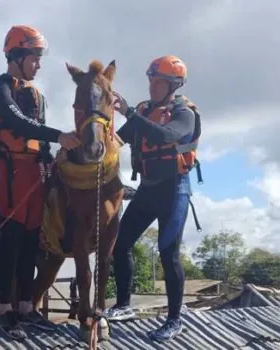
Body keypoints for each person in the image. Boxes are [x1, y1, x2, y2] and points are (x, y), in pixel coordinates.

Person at [0, 24, 81, 340]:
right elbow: (15, 122)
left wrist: (51, 158)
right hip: (11, 174)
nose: (38, 64)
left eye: (39, 58)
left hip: (35, 174)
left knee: (29, 243)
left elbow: (40, 134)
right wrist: (59, 136)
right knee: (10, 241)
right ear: (18, 54)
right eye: (34, 58)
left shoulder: (36, 95)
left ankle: (26, 308)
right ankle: (5, 310)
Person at [107, 55, 202, 342]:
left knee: (167, 253)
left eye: (157, 81)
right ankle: (124, 305)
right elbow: (116, 141)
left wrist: (130, 113)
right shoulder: (145, 111)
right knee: (120, 242)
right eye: (150, 79)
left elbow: (166, 136)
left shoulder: (185, 113)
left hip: (174, 188)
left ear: (172, 84)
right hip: (149, 188)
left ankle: (175, 320)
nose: (151, 86)